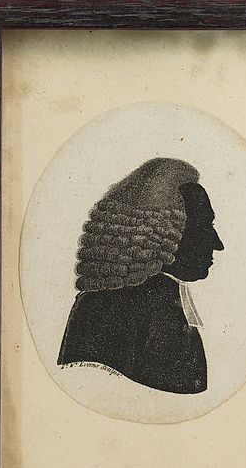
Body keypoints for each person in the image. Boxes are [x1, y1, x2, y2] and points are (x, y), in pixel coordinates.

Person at [57, 158, 224, 394]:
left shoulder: (161, 300)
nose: (217, 244)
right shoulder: (107, 309)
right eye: (203, 227)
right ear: (163, 231)